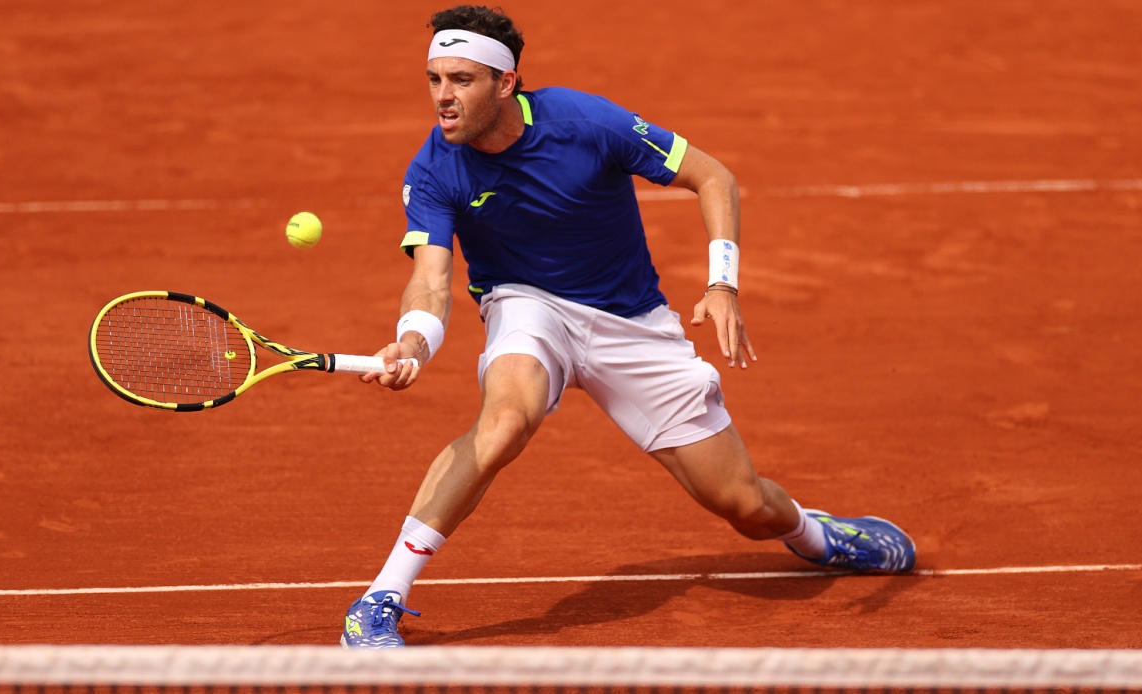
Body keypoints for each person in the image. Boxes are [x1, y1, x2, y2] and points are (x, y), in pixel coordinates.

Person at [340, 5, 916, 649]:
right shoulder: (433, 169)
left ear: (505, 83)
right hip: (527, 304)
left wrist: (722, 284)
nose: (443, 97)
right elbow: (431, 278)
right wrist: (415, 341)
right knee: (506, 420)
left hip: (633, 323)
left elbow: (712, 176)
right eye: (434, 79)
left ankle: (815, 535)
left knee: (743, 504)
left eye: (461, 80)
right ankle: (381, 597)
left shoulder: (588, 123)